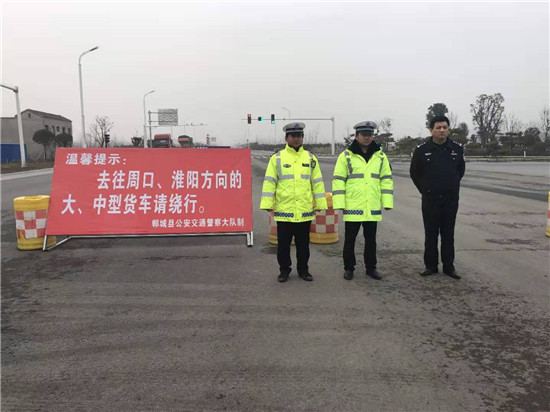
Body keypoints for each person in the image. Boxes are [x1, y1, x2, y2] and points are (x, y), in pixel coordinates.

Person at [260, 122, 328, 282]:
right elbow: (270, 182)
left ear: (302, 138)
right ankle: (284, 270)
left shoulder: (310, 158)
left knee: (303, 245)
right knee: (283, 245)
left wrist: (320, 203)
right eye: (293, 136)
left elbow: (317, 182)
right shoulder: (277, 158)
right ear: (286, 138)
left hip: (304, 210)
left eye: (299, 136)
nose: (296, 139)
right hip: (285, 210)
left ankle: (304, 270)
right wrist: (267, 203)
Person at [332, 120, 394, 280]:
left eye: (370, 134)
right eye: (364, 134)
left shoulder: (380, 156)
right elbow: (338, 180)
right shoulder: (346, 156)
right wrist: (339, 203)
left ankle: (371, 268)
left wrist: (387, 202)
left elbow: (386, 179)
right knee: (350, 240)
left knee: (371, 240)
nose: (367, 137)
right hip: (353, 205)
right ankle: (349, 268)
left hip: (371, 205)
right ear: (357, 136)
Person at [410, 115, 465, 279]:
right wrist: (425, 189)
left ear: (448, 129)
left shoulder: (456, 149)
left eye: (445, 127)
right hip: (430, 199)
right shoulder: (422, 150)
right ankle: (430, 265)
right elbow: (415, 173)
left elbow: (460, 170)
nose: (442, 130)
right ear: (431, 130)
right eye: (438, 127)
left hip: (450, 199)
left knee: (448, 234)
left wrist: (452, 185)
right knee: (431, 233)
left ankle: (449, 266)